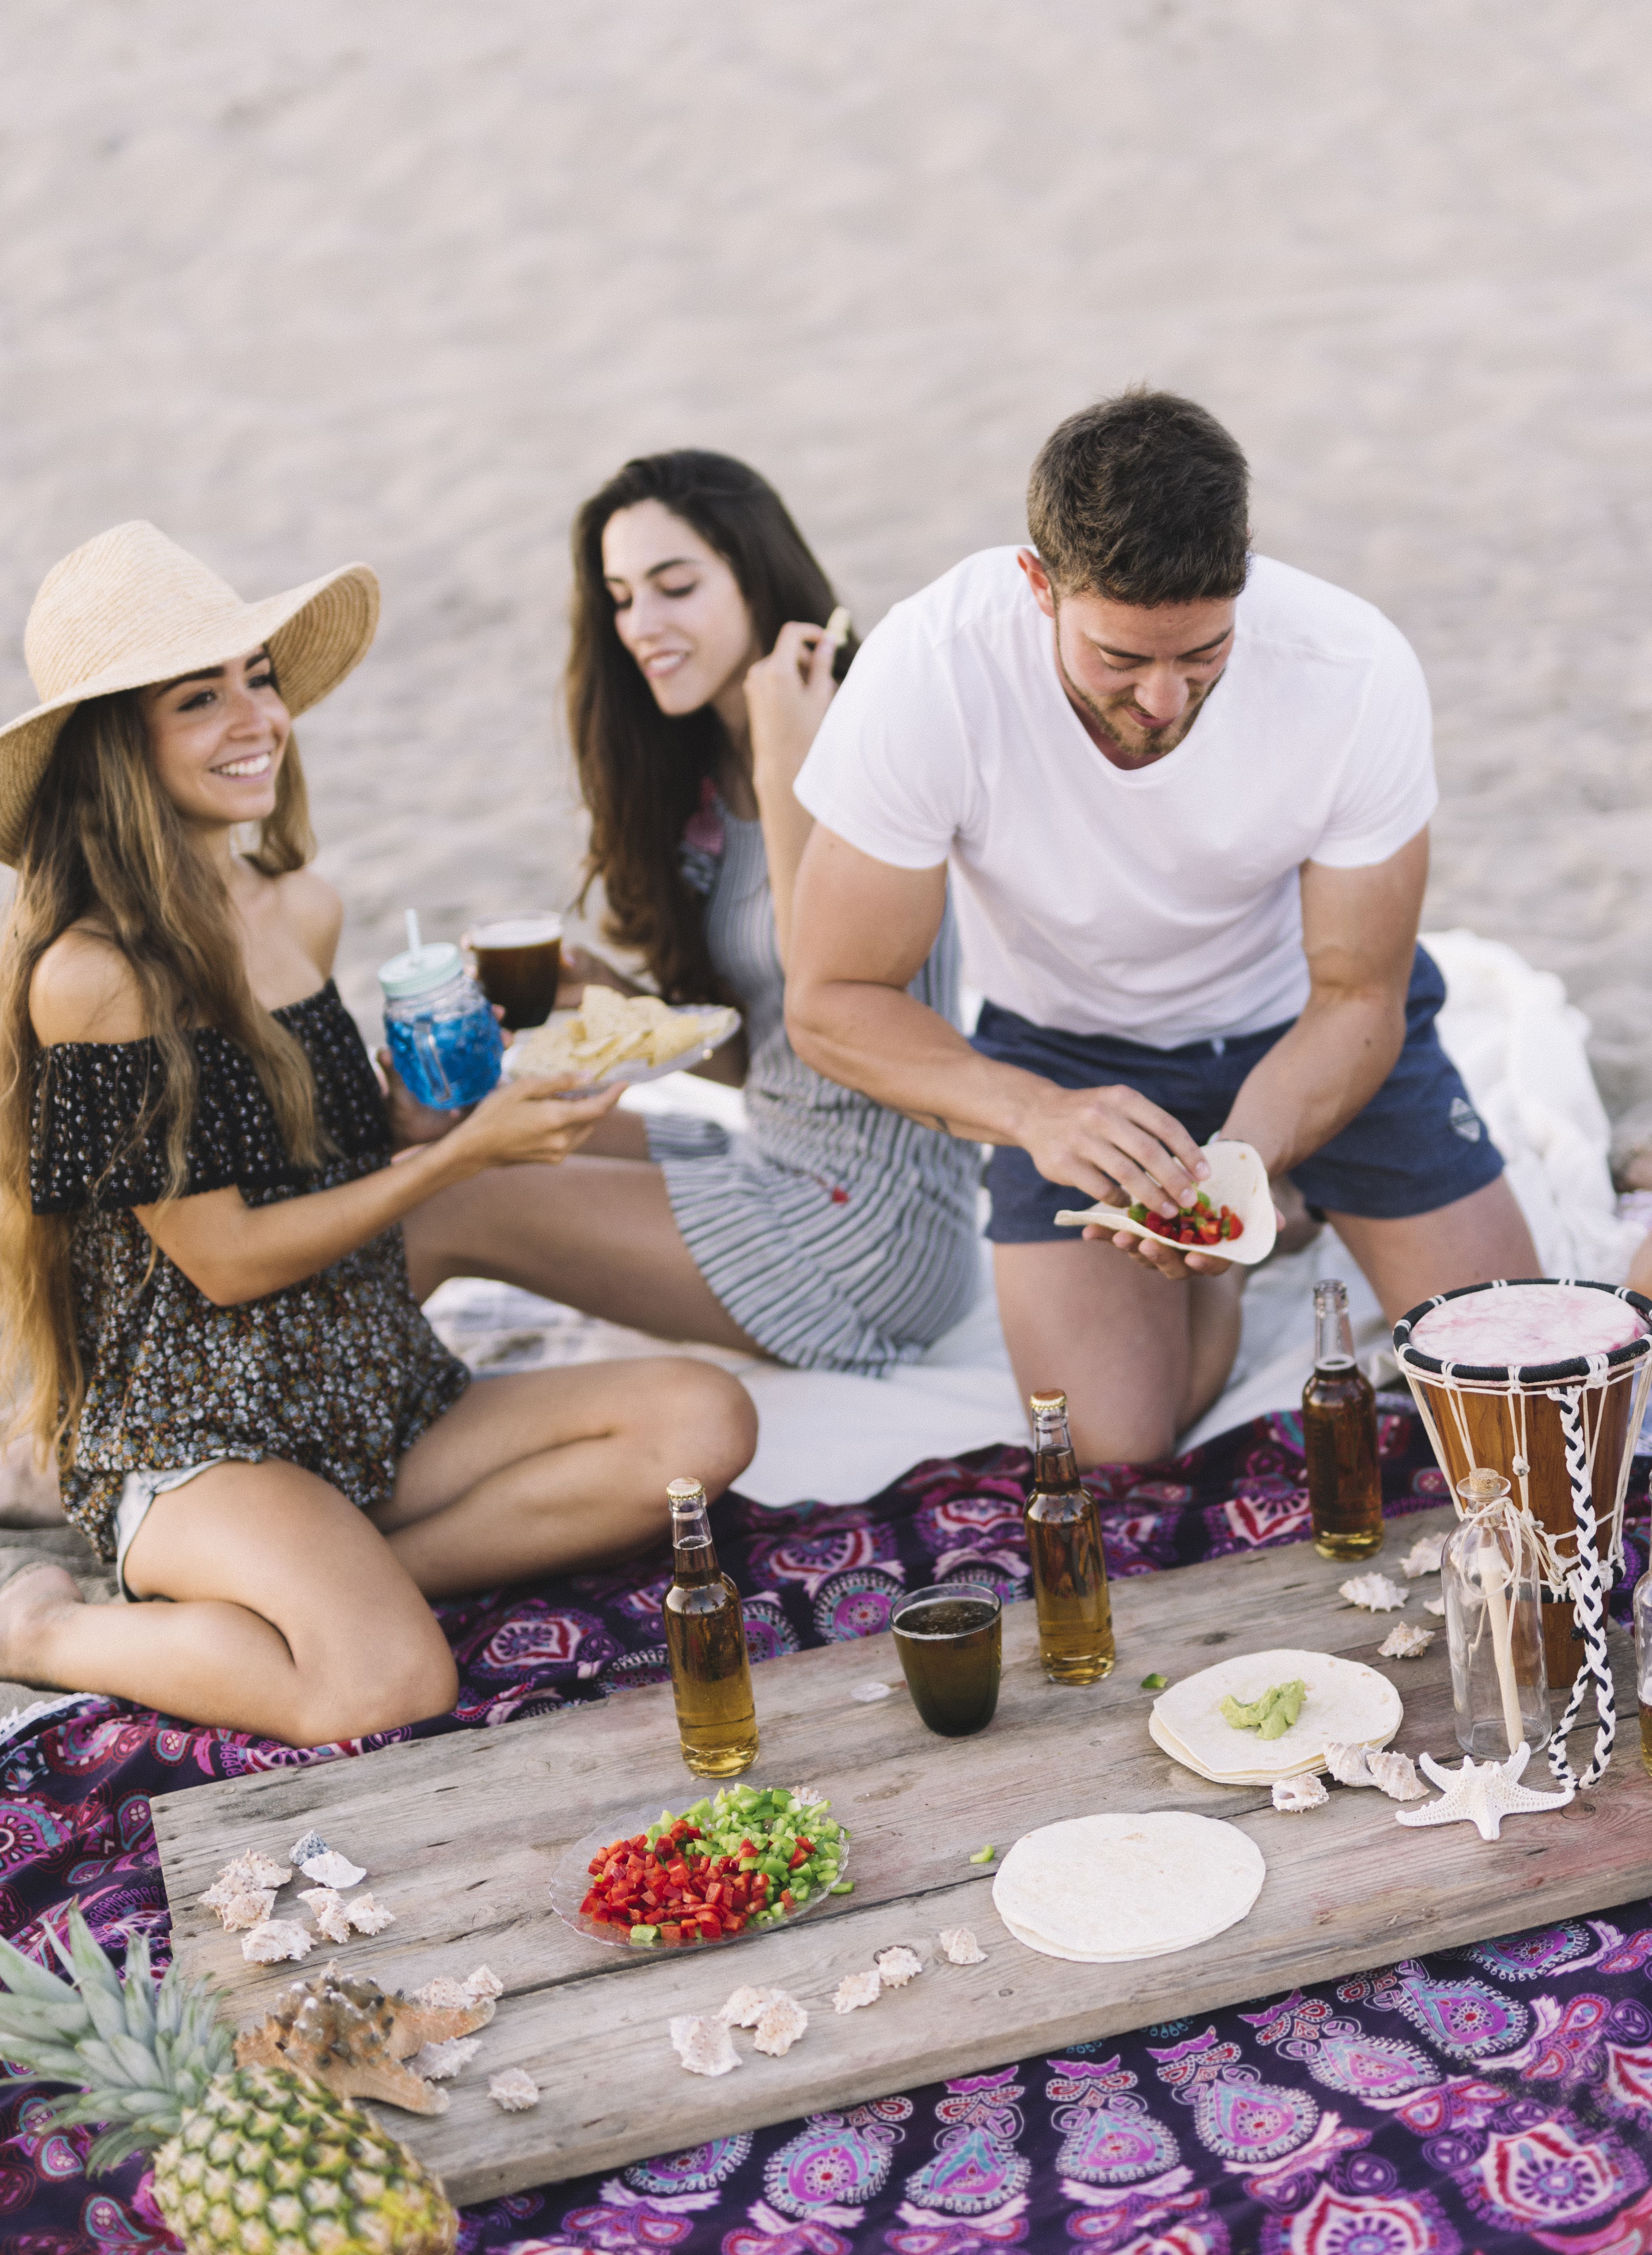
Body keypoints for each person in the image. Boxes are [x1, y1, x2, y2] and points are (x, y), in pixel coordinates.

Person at [0, 522, 755, 1745]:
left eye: (260, 680)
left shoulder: (301, 906)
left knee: (704, 1425)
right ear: (117, 751)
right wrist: (459, 1159)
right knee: (386, 1688)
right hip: (206, 1433)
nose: (259, 719)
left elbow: (332, 1155)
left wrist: (441, 1105)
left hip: (370, 1381)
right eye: (203, 698)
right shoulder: (92, 976)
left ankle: (338, 1572)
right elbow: (224, 1258)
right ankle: (47, 1630)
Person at [785, 392, 1539, 1465]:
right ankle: (1254, 1258)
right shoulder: (930, 668)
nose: (1164, 701)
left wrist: (1238, 1166)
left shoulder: (1353, 667)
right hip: (1065, 1051)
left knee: (1519, 1400)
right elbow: (831, 1000)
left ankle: (1285, 1198)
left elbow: (1361, 994)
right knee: (1113, 1452)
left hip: (1308, 1033)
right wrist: (1038, 1115)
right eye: (1121, 661)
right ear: (1037, 586)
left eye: (1203, 654)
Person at [399, 451, 981, 1374]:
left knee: (439, 1208)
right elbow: (765, 1052)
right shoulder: (709, 777)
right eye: (623, 597)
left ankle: (307, 1454)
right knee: (462, 1131)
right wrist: (602, 993)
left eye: (674, 587)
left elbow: (826, 1003)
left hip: (871, 1222)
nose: (641, 625)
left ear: (756, 578)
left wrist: (787, 749)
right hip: (768, 1146)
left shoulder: (858, 741)